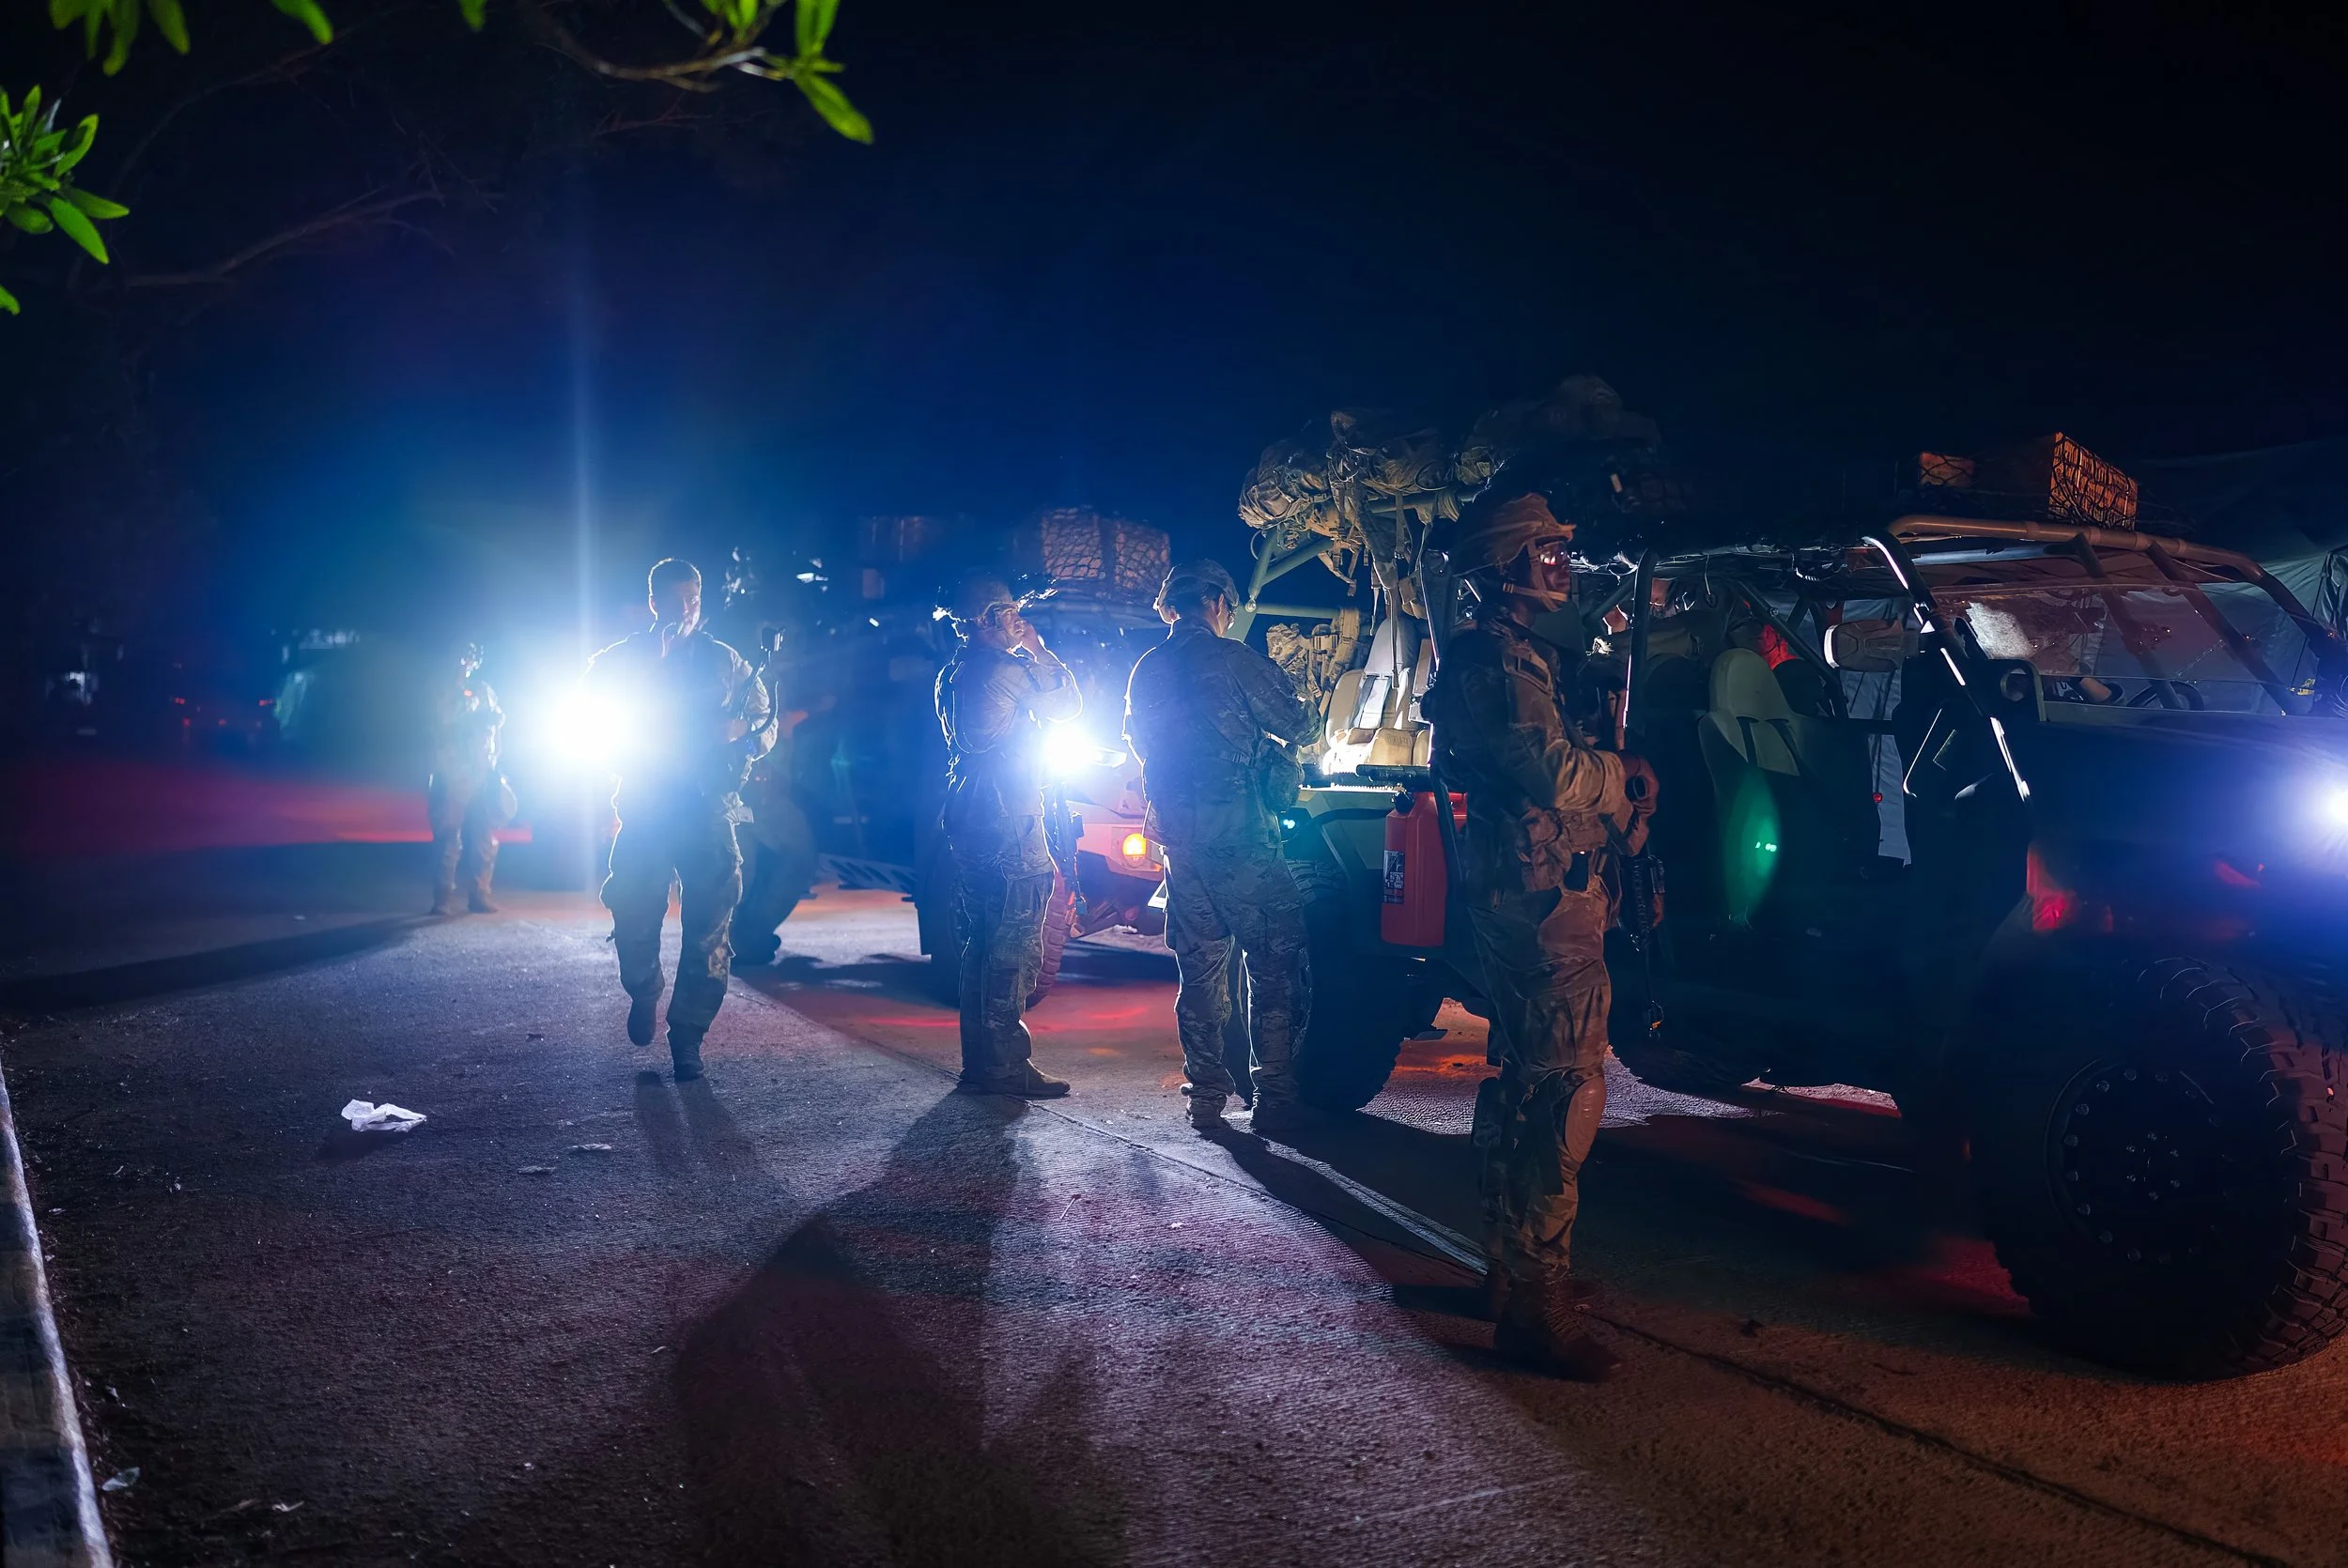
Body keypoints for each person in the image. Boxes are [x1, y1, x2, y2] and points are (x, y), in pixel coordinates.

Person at [1425, 489, 1658, 1382]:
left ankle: (1511, 1268)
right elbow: (1550, 771)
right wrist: (1625, 777)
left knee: (1529, 1079)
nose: (1561, 561)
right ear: (1504, 567)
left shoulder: (1516, 655)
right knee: (1567, 1089)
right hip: (1538, 900)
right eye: (1544, 549)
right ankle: (1537, 1299)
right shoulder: (1496, 662)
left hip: (1537, 890)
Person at [1122, 559, 1321, 1136]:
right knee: (1273, 961)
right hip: (1239, 836)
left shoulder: (1146, 668)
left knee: (1201, 968)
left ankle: (1207, 1093)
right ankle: (1275, 1094)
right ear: (1215, 602)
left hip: (1179, 842)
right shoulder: (1233, 659)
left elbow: (1139, 744)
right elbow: (1300, 726)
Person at [585, 559, 776, 1083]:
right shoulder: (620, 662)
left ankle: (688, 1036)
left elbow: (765, 721)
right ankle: (644, 990)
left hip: (708, 810)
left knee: (710, 931)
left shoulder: (725, 661)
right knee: (633, 913)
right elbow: (590, 719)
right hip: (647, 808)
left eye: (693, 600)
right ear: (653, 604)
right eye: (674, 601)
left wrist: (738, 730)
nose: (686, 611)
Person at [935, 572, 1081, 1097]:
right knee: (1013, 947)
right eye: (1007, 610)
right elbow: (1067, 706)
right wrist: (1038, 648)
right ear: (984, 619)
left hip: (972, 817)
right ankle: (1004, 1066)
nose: (1016, 617)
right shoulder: (1001, 668)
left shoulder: (954, 671)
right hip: (1010, 822)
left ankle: (981, 1061)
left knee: (981, 944)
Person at [730, 624, 821, 966]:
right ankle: (743, 936)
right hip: (754, 788)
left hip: (752, 787)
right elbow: (758, 724)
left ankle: (736, 938)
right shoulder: (748, 669)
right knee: (792, 857)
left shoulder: (745, 663)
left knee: (747, 868)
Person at [426, 641, 514, 915]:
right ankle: (442, 898)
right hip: (452, 772)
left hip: (481, 771)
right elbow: (443, 720)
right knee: (449, 837)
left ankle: (480, 895)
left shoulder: (485, 691)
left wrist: (495, 763)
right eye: (460, 655)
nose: (465, 662)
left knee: (485, 838)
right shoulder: (444, 690)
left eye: (470, 657)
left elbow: (496, 731)